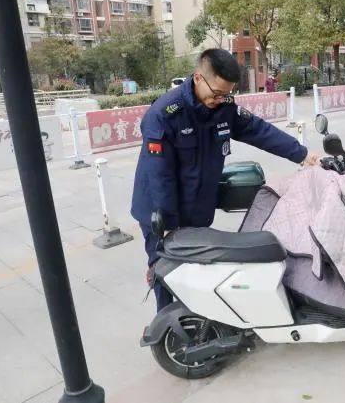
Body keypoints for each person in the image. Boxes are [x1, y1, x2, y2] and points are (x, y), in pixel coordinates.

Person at [131, 49, 319, 312]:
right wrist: (169, 226)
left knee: (195, 269)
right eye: (216, 93)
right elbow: (160, 177)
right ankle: (166, 323)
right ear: (198, 78)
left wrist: (302, 154)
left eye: (226, 94)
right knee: (165, 269)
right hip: (160, 212)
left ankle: (196, 317)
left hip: (196, 208)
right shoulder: (165, 114)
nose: (220, 99)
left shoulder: (223, 108)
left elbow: (259, 130)